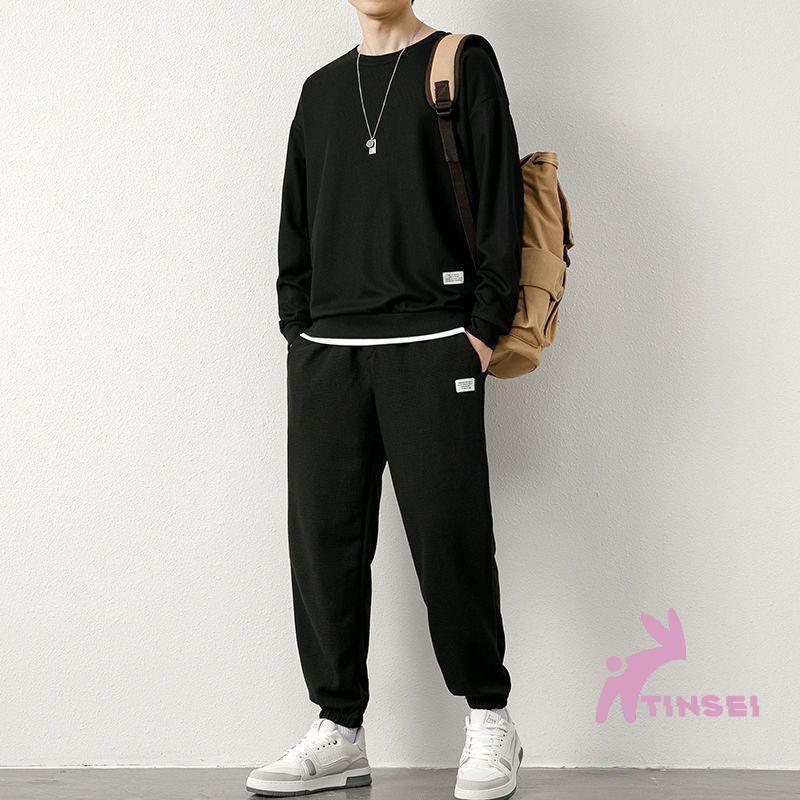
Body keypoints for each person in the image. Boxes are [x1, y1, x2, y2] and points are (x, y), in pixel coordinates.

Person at [247, 1, 524, 797]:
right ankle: (339, 729)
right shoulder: (321, 90)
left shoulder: (463, 61)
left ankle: (489, 716)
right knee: (323, 546)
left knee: (451, 537)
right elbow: (295, 219)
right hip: (329, 352)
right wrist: (298, 329)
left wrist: (480, 331)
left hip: (435, 342)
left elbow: (501, 203)